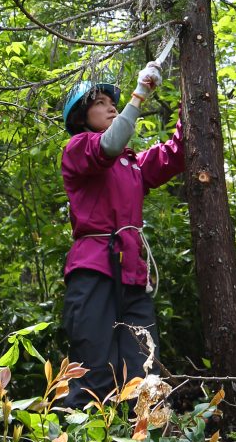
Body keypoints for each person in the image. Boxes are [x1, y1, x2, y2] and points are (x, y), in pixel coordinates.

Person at [60, 61, 184, 407]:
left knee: (144, 373)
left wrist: (190, 101)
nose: (111, 106)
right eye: (100, 102)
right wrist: (140, 93)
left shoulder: (131, 165)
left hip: (132, 276)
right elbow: (110, 145)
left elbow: (176, 154)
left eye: (112, 102)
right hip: (94, 271)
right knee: (94, 372)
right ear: (81, 117)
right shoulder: (79, 148)